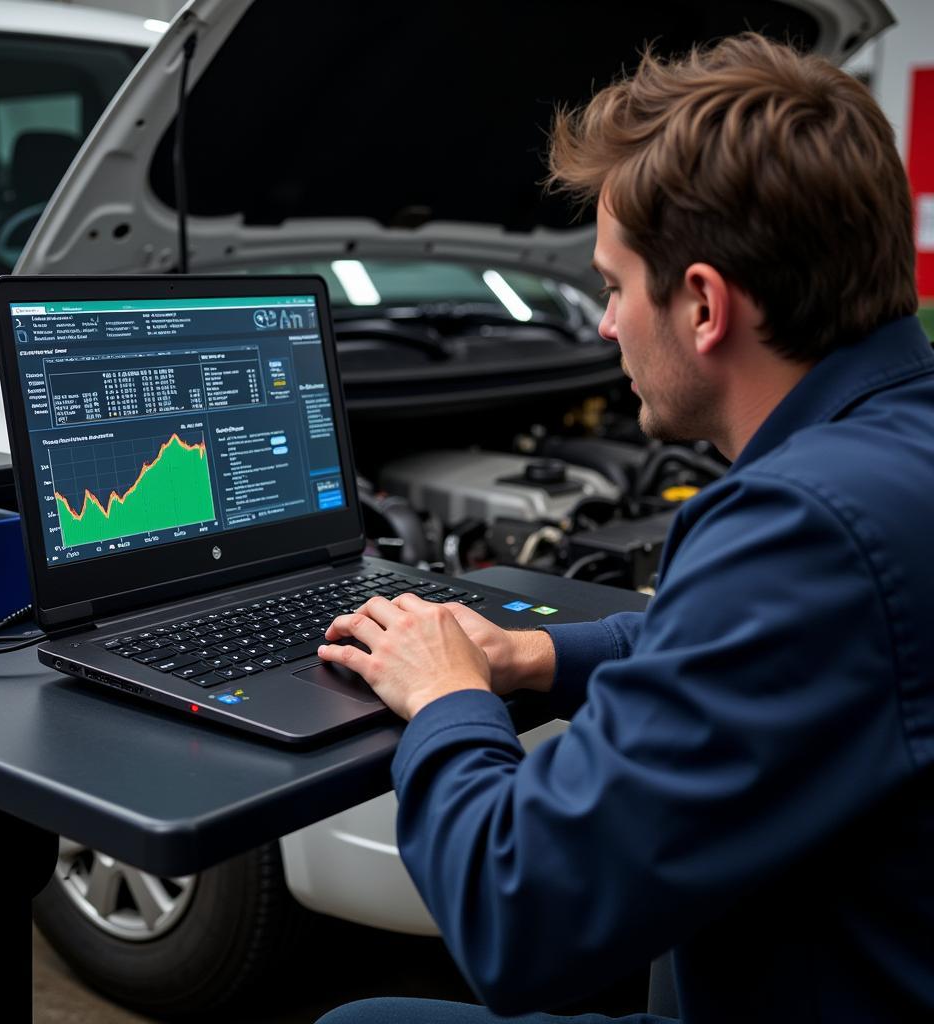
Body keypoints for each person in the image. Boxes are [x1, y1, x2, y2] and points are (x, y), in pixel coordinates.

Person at [314, 33, 934, 1024]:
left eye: (609, 285)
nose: (604, 328)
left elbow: (519, 918)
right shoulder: (897, 448)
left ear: (700, 305)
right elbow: (752, 651)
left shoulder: (806, 530)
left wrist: (445, 701)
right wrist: (530, 653)